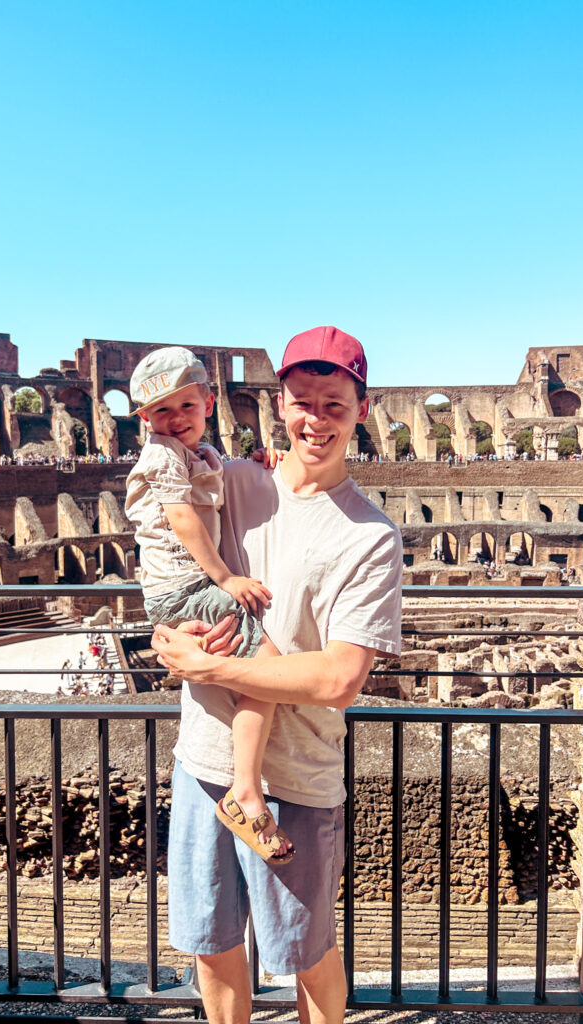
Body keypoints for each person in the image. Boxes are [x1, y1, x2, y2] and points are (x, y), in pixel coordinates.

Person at [150, 326, 403, 1023]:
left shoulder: (370, 535)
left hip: (298, 778)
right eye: (301, 401)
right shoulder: (230, 480)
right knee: (212, 945)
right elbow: (164, 556)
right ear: (276, 405)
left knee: (307, 954)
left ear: (361, 409)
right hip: (204, 762)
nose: (314, 419)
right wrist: (167, 630)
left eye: (333, 403)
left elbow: (338, 680)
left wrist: (213, 664)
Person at [125, 346, 292, 861]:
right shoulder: (161, 455)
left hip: (182, 585)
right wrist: (228, 578)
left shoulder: (200, 456)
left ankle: (244, 785)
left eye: (187, 407)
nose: (176, 420)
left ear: (209, 403)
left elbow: (217, 484)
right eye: (162, 412)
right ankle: (245, 793)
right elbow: (183, 519)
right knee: (269, 670)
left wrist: (265, 461)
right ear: (143, 420)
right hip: (187, 585)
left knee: (257, 675)